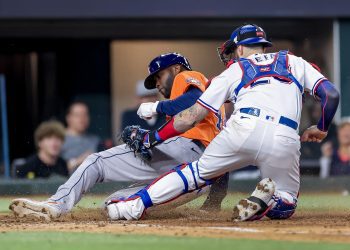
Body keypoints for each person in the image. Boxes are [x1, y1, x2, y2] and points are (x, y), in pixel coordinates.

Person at [104, 23, 339, 221]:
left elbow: (190, 116)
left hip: (242, 128)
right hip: (284, 135)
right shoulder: (293, 61)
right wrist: (321, 127)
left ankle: (131, 207)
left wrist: (153, 137)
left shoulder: (235, 69)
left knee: (195, 173)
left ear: (240, 48)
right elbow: (331, 95)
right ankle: (271, 200)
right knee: (287, 202)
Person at [9, 52, 226, 220]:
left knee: (96, 161)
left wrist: (157, 109)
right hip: (199, 175)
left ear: (176, 68)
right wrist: (214, 203)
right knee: (113, 205)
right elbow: (223, 160)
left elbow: (195, 100)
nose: (157, 84)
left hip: (185, 150)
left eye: (158, 76)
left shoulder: (189, 76)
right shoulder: (217, 110)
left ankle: (56, 205)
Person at [61, 101, 101, 173]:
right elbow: (53, 168)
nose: (82, 119)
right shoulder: (59, 140)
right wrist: (78, 161)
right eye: (77, 115)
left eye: (85, 115)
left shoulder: (95, 140)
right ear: (68, 118)